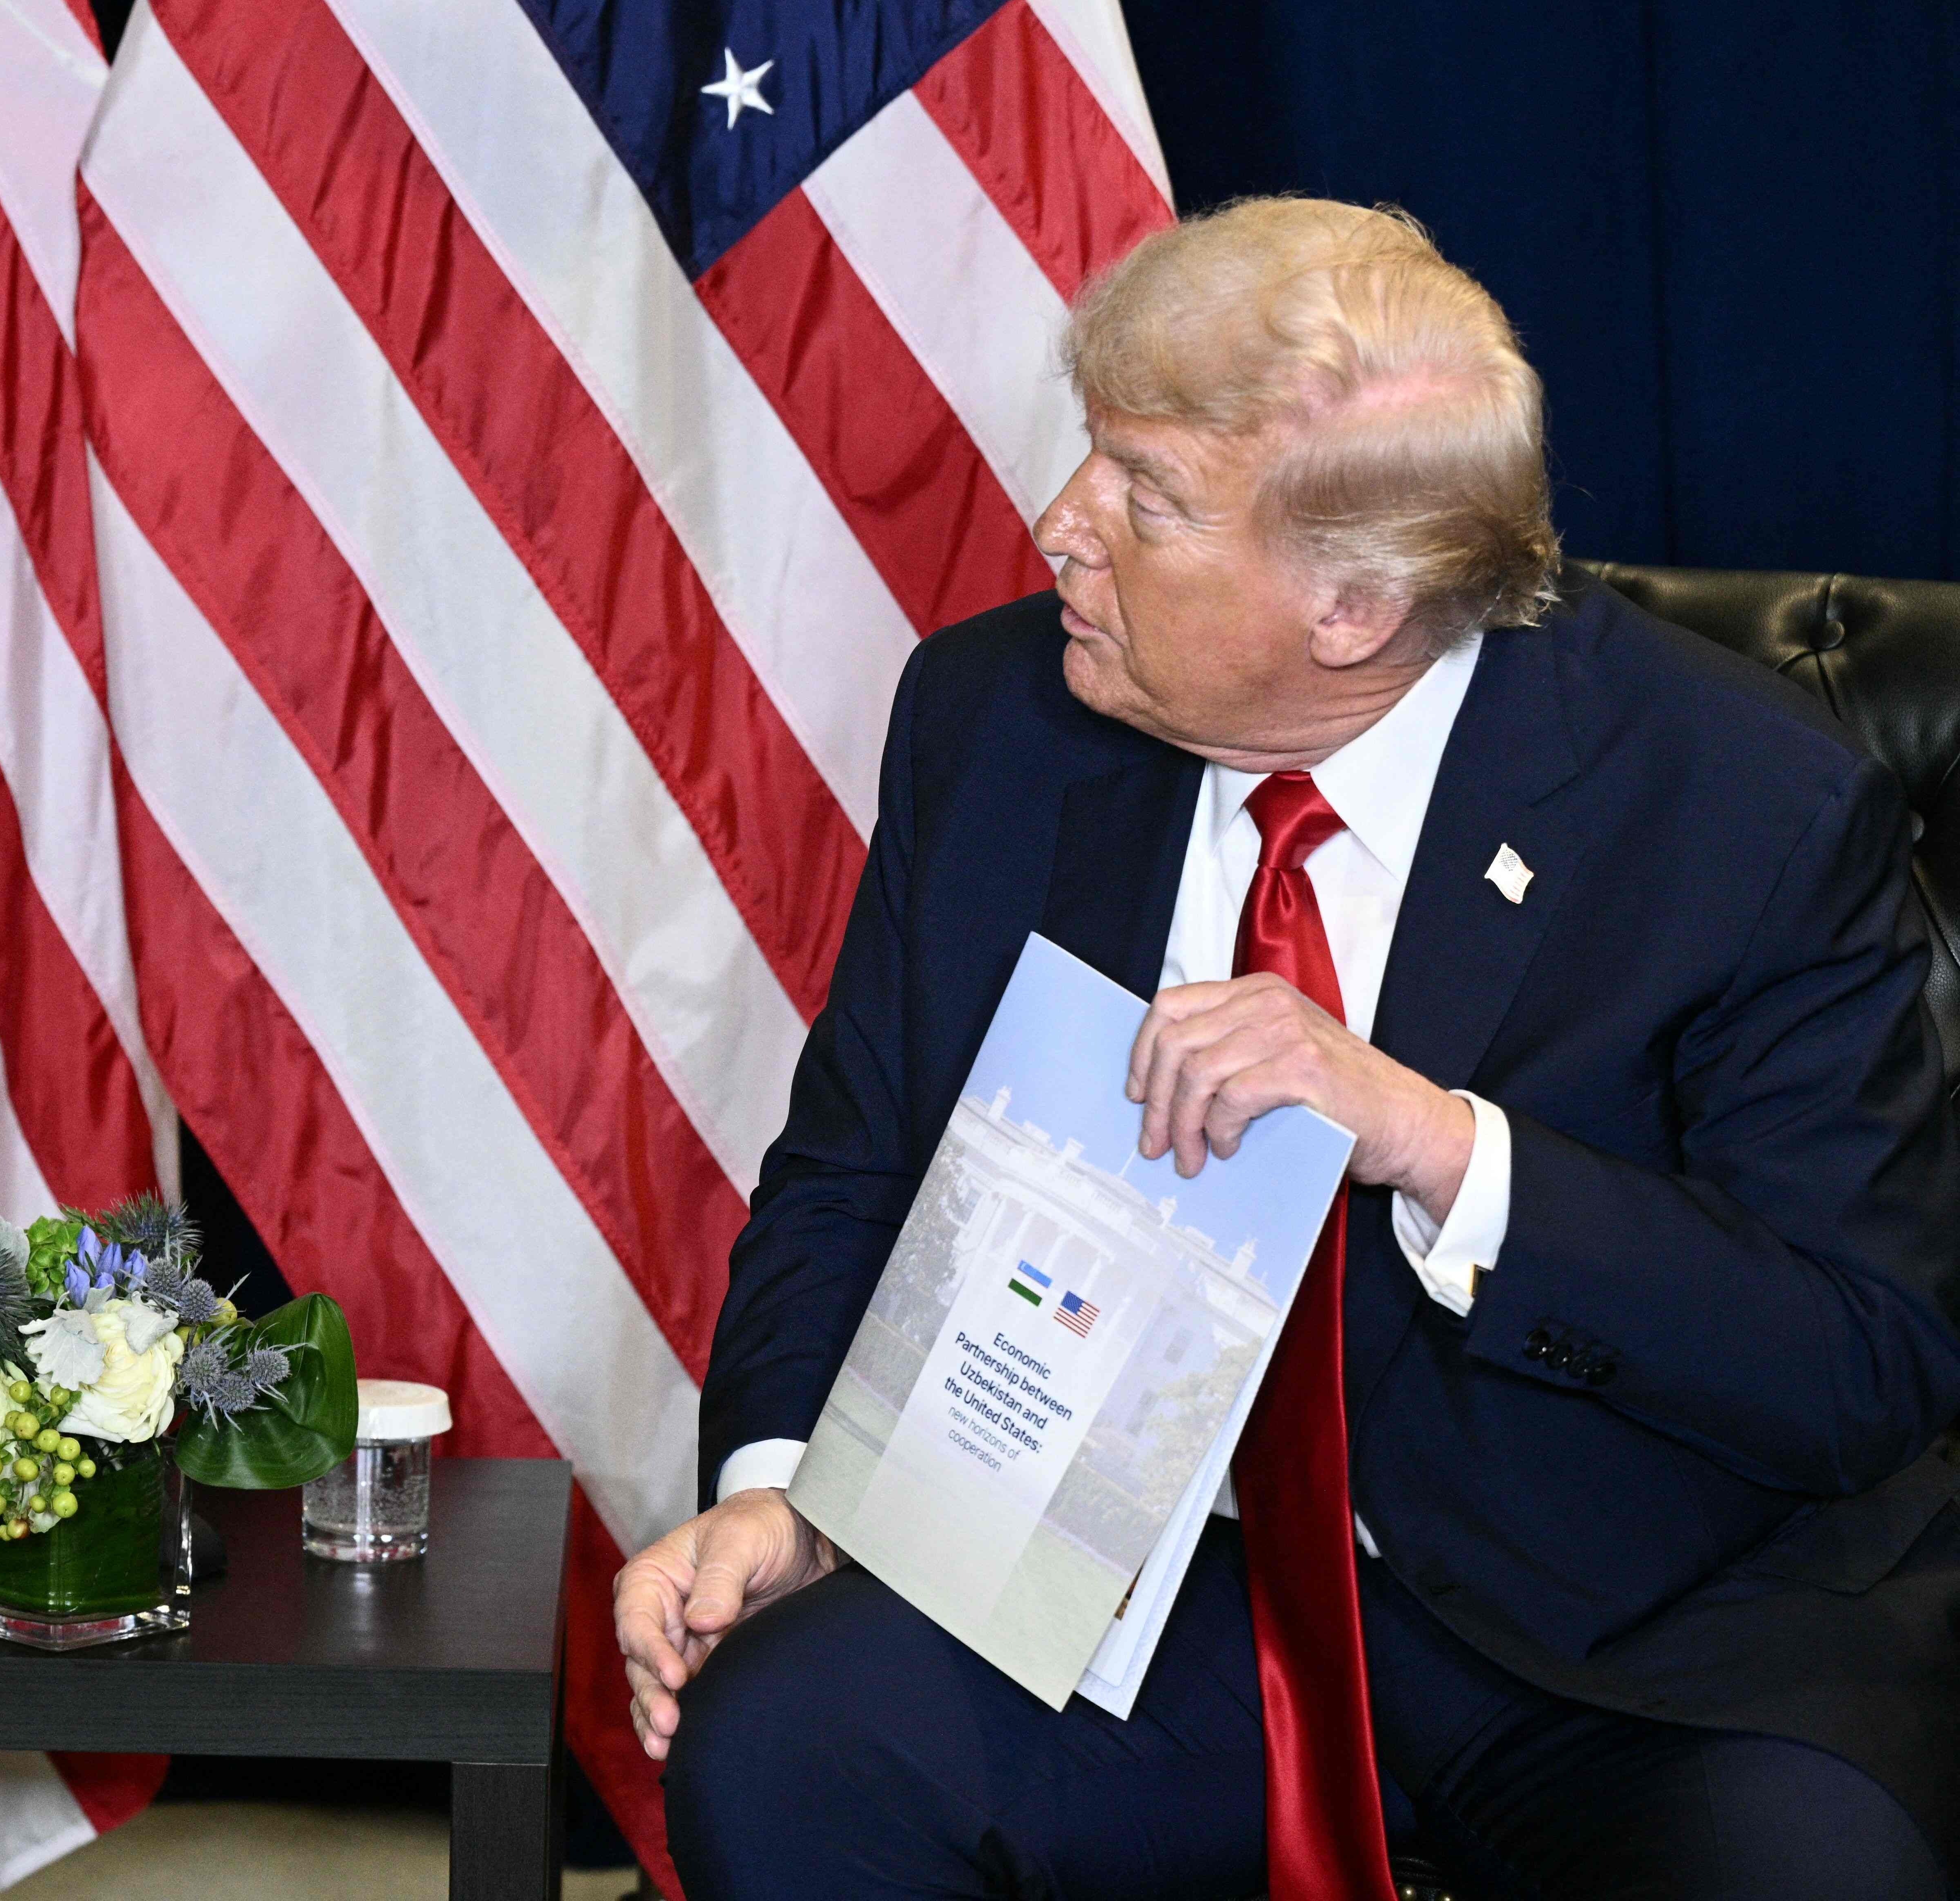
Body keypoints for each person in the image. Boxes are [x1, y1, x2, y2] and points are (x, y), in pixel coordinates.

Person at [619, 200, 1960, 1899]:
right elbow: (855, 1171)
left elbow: (1859, 1358)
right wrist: (792, 1493)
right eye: (1093, 457)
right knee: (786, 1745)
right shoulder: (995, 722)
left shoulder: (1743, 806)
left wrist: (1440, 1145)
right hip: (1142, 1583)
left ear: (1354, 604)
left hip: (1650, 1630)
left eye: (1146, 495)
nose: (1059, 526)